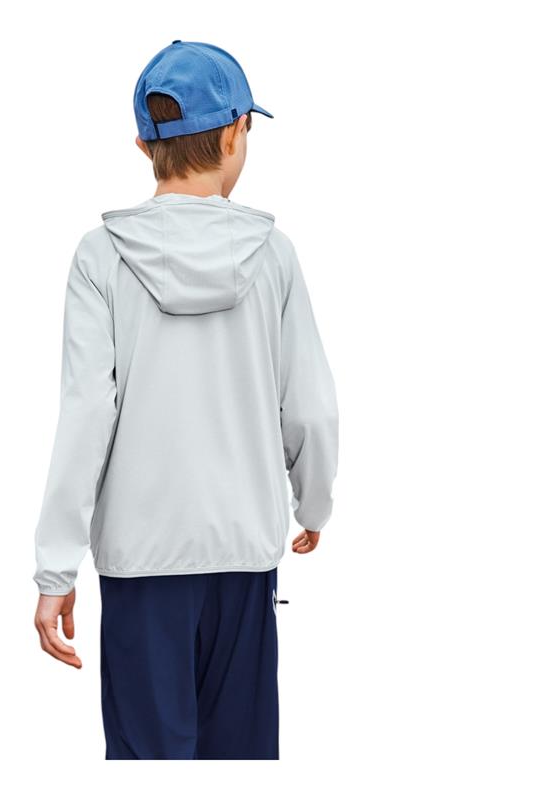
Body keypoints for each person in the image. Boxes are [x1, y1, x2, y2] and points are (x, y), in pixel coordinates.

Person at [32, 39, 339, 760]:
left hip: (140, 565)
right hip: (243, 555)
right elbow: (311, 409)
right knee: (240, 761)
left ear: (144, 144)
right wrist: (314, 505)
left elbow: (86, 417)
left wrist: (55, 569)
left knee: (150, 765)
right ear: (236, 133)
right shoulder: (274, 254)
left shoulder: (101, 256)